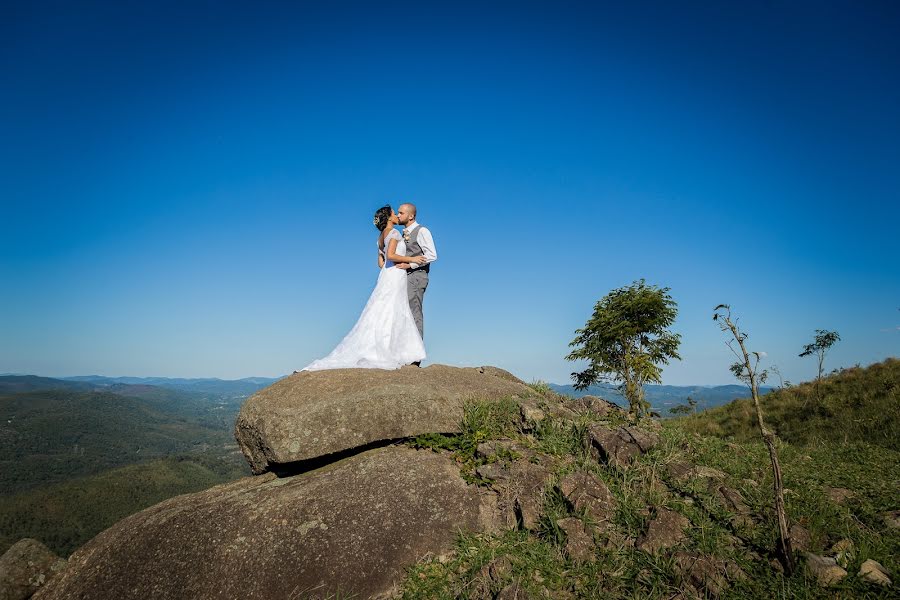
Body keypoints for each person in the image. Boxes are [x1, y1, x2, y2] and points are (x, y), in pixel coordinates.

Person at [300, 205, 427, 371]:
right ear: (389, 217)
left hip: (385, 275)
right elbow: (390, 256)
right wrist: (413, 259)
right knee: (394, 310)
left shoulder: (380, 238)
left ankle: (387, 348)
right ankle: (393, 351)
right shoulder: (394, 233)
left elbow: (381, 263)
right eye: (394, 213)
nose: (397, 215)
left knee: (381, 310)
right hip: (395, 274)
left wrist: (390, 263)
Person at [395, 203, 437, 351]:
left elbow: (432, 255)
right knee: (403, 314)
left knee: (414, 313)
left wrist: (410, 265)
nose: (398, 215)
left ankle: (415, 354)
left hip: (417, 276)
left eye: (401, 213)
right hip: (404, 277)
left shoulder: (422, 231)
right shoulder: (402, 233)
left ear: (411, 215)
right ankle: (404, 351)